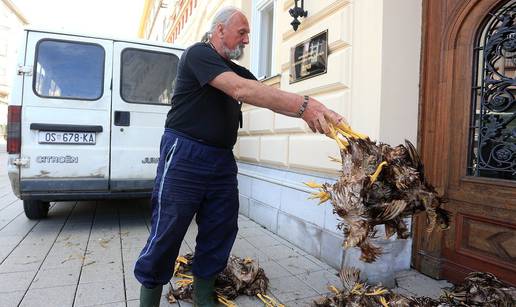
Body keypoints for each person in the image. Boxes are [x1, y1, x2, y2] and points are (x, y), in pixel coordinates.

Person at [134, 6, 346, 307]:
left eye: (248, 34)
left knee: (221, 227)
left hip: (221, 159)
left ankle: (204, 295)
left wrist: (316, 114)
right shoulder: (197, 55)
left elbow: (266, 96)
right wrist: (304, 104)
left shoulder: (241, 72)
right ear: (219, 30)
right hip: (185, 154)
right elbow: (241, 90)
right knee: (168, 229)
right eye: (242, 32)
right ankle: (149, 298)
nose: (247, 40)